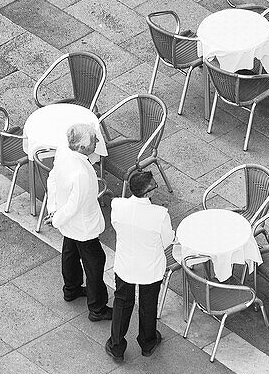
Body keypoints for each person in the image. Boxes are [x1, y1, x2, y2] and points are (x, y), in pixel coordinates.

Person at [105, 170, 174, 361]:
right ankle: (147, 342)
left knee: (122, 303)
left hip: (125, 266)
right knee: (148, 305)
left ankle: (116, 346)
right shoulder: (160, 215)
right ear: (148, 193)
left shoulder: (117, 205)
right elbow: (167, 241)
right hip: (150, 270)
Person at [46, 123, 111, 321]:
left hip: (69, 224)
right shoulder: (81, 173)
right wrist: (56, 219)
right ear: (82, 147)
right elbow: (75, 205)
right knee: (95, 263)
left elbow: (52, 179)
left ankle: (71, 289)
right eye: (94, 141)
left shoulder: (64, 153)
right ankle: (97, 308)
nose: (97, 142)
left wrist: (53, 210)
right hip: (83, 226)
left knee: (70, 254)